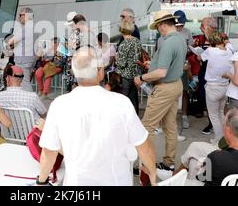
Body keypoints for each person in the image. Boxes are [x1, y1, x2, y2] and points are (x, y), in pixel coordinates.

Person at [38, 46, 156, 186]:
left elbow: (48, 152)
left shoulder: (59, 105)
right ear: (100, 72)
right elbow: (144, 146)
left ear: (75, 73)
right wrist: (153, 174)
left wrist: (41, 181)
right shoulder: (122, 103)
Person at [175, 83, 238, 183]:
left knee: (195, 147)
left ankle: (175, 176)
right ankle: (183, 177)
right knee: (194, 161)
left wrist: (228, 128)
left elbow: (227, 141)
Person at [134, 10, 186, 177]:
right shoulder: (180, 38)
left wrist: (141, 77)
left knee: (147, 127)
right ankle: (168, 164)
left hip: (164, 88)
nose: (158, 30)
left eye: (158, 27)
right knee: (170, 127)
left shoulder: (168, 43)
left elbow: (162, 73)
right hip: (176, 84)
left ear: (163, 25)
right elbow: (172, 64)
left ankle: (146, 167)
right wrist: (153, 63)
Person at [190, 109, 238, 186]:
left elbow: (202, 178)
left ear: (228, 130)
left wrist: (202, 167)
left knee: (194, 162)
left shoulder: (216, 158)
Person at [200, 31, 233, 143]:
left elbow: (200, 58)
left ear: (211, 41)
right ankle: (226, 137)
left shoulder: (210, 51)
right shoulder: (230, 50)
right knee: (221, 113)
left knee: (213, 116)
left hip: (213, 87)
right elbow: (228, 44)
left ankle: (219, 139)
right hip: (225, 86)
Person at [116, 21, 141, 115]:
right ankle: (135, 117)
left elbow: (122, 63)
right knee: (134, 98)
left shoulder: (123, 44)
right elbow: (137, 58)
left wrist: (116, 58)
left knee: (124, 98)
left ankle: (123, 118)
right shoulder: (137, 41)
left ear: (121, 30)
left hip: (125, 75)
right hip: (135, 74)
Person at [8, 7, 36, 92]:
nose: (19, 17)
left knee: (25, 82)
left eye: (20, 15)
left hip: (22, 60)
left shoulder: (25, 28)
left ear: (26, 15)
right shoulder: (34, 27)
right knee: (25, 81)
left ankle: (30, 101)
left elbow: (10, 41)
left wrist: (11, 43)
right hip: (29, 59)